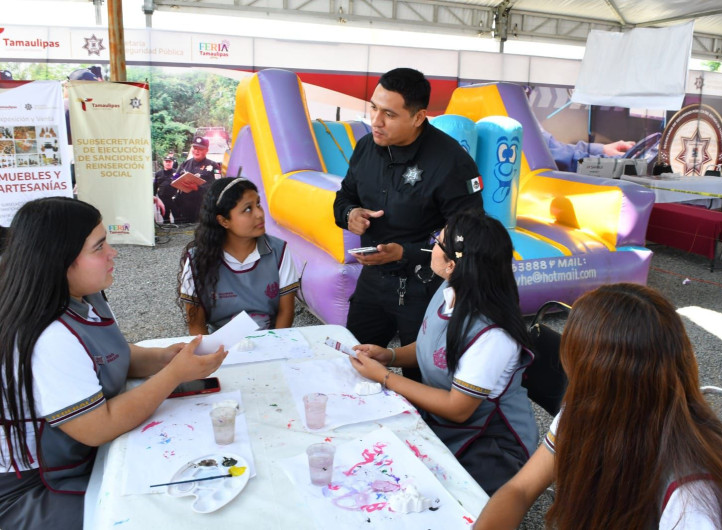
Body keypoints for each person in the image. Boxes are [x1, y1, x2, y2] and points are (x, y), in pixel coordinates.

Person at [0, 197, 227, 529]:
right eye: (99, 247)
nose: (113, 253)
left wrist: (163, 359)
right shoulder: (50, 335)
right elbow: (99, 427)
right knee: (158, 512)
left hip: (74, 459)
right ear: (59, 260)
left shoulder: (83, 295)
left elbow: (111, 354)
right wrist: (173, 375)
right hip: (36, 485)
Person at [474, 283, 722, 530]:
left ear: (601, 377)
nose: (564, 365)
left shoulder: (692, 498)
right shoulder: (585, 412)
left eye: (572, 357)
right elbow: (520, 489)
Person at [350, 210, 537, 495]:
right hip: (448, 426)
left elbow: (458, 409)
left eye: (437, 241)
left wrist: (385, 377)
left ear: (452, 264)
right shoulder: (450, 289)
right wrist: (390, 356)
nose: (432, 245)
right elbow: (432, 347)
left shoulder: (492, 335)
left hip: (490, 448)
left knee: (399, 489)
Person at [333, 67, 483, 381]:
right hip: (373, 281)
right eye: (374, 107)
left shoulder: (451, 162)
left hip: (425, 288)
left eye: (389, 113)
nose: (376, 120)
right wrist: (350, 215)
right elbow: (343, 197)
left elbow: (468, 239)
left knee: (421, 380)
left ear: (418, 117)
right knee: (351, 364)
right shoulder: (366, 147)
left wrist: (406, 252)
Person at [179, 177, 300, 334]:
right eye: (247, 209)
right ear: (224, 221)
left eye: (258, 204)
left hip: (270, 341)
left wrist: (274, 349)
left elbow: (286, 312)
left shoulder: (279, 251)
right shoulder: (197, 260)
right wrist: (212, 356)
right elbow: (196, 325)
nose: (259, 214)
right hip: (219, 348)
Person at [173, 136, 220, 224]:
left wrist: (198, 188)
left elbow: (218, 185)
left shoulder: (214, 166)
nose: (197, 151)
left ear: (206, 150)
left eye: (200, 149)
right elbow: (175, 177)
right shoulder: (184, 164)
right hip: (185, 206)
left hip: (203, 206)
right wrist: (177, 181)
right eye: (195, 148)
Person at [153, 153, 178, 223]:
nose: (168, 163)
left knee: (177, 217)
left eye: (169, 162)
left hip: (174, 199)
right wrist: (154, 196)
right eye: (166, 161)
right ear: (163, 162)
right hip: (163, 199)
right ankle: (167, 232)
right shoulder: (158, 174)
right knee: (165, 218)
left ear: (172, 163)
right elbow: (155, 186)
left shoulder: (176, 173)